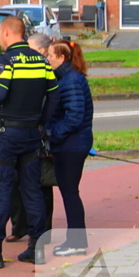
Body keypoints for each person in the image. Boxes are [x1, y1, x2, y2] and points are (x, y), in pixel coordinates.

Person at [0, 16, 58, 269]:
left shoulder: (6, 61)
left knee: (1, 190)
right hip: (32, 134)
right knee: (32, 191)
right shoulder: (41, 60)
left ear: (6, 33)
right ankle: (36, 248)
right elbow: (53, 95)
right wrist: (42, 124)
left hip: (6, 136)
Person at [45, 39, 94, 257]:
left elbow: (74, 116)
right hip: (72, 144)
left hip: (71, 145)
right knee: (69, 192)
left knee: (70, 192)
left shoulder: (71, 80)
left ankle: (76, 241)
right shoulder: (67, 78)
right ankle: (74, 240)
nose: (47, 59)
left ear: (61, 57)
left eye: (50, 55)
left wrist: (53, 134)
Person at [6, 33, 55, 243]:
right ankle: (20, 225)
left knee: (42, 184)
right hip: (23, 131)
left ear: (43, 52)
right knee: (15, 181)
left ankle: (43, 231)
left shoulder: (47, 73)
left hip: (40, 134)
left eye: (32, 49)